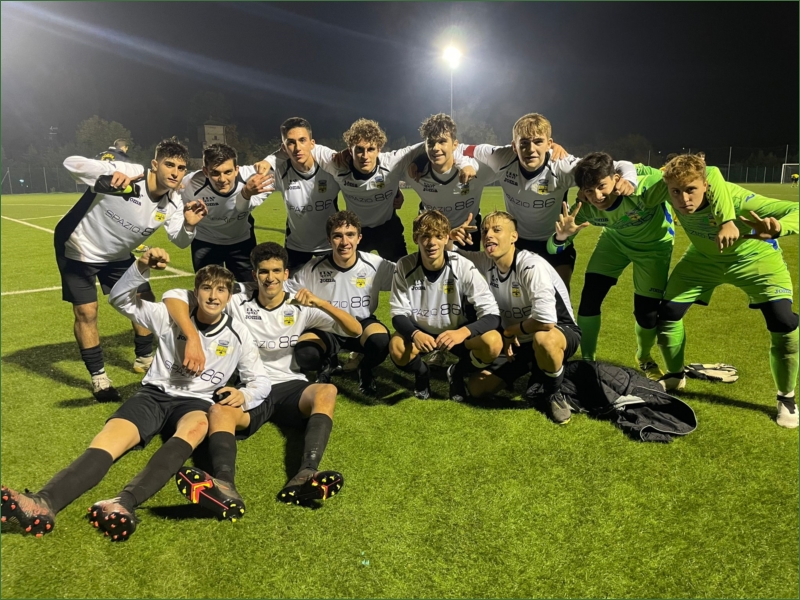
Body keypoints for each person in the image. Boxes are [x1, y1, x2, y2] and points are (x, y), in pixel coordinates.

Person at [1, 248, 271, 540]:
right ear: (195, 293)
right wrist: (141, 266)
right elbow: (120, 299)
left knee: (196, 428)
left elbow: (260, 381)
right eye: (206, 288)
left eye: (221, 290)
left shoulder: (239, 334)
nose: (213, 296)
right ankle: (43, 503)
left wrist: (245, 395)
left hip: (196, 403)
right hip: (153, 394)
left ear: (229, 297)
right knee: (108, 442)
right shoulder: (170, 317)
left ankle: (123, 503)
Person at [163, 242, 360, 515]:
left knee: (326, 390)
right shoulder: (237, 300)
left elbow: (354, 329)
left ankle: (306, 473)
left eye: (277, 271)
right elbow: (175, 296)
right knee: (219, 411)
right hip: (251, 386)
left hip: (290, 386)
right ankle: (224, 484)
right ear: (254, 275)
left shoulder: (300, 304)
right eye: (264, 271)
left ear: (286, 274)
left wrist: (321, 303)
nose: (270, 278)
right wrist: (192, 336)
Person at [549, 152, 738, 381]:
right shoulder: (583, 208)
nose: (597, 196)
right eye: (589, 190)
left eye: (601, 186)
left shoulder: (644, 187)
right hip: (614, 243)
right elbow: (553, 248)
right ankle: (588, 362)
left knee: (646, 315)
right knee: (590, 297)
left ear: (616, 179)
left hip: (654, 249)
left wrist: (727, 221)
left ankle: (644, 357)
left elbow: (710, 173)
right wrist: (561, 237)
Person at [57, 139, 207, 401]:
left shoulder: (174, 202)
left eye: (181, 168)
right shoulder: (130, 172)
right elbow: (71, 164)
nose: (175, 172)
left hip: (117, 255)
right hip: (79, 248)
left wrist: (190, 225)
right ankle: (99, 378)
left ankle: (144, 358)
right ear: (154, 164)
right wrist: (108, 175)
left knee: (144, 299)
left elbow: (181, 240)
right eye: (169, 165)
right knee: (87, 311)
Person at [655, 154, 798, 427]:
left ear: (706, 185)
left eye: (691, 190)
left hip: (755, 259)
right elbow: (637, 177)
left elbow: (796, 209)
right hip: (702, 260)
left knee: (784, 321)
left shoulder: (740, 201)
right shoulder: (668, 192)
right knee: (667, 314)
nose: (683, 199)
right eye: (676, 192)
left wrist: (780, 227)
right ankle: (675, 375)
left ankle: (786, 397)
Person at [461, 113, 638, 289]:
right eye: (524, 143)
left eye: (538, 142)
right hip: (518, 242)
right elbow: (461, 148)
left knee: (560, 297)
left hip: (555, 241)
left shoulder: (562, 166)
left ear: (549, 144)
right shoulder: (501, 157)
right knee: (516, 297)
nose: (531, 149)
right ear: (514, 146)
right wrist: (465, 164)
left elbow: (619, 165)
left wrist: (629, 180)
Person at [450, 211, 581, 424]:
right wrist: (449, 238)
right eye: (485, 231)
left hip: (557, 331)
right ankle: (534, 367)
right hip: (518, 341)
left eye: (497, 230)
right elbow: (451, 254)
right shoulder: (486, 261)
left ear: (514, 237)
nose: (488, 235)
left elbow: (546, 321)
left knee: (544, 341)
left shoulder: (531, 265)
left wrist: (510, 331)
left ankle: (553, 393)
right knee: (477, 388)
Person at [389, 210, 503, 401]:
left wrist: (462, 332)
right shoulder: (405, 265)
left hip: (456, 332)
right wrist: (415, 334)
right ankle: (422, 373)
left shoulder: (463, 266)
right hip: (422, 332)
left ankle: (457, 371)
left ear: (446, 238)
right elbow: (398, 313)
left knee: (493, 343)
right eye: (425, 236)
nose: (431, 243)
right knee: (397, 348)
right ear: (416, 238)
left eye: (438, 236)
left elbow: (492, 314)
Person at [287, 211, 394, 395]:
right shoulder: (313, 268)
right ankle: (326, 364)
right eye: (338, 236)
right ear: (329, 241)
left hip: (360, 325)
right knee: (305, 354)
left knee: (381, 342)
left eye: (350, 235)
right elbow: (287, 290)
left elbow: (407, 276)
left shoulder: (375, 264)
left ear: (359, 238)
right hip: (325, 327)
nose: (345, 242)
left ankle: (365, 369)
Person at [179, 143, 274, 282]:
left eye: (228, 172)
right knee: (208, 288)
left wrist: (269, 161)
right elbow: (166, 192)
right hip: (205, 241)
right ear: (205, 171)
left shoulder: (253, 177)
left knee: (251, 288)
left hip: (241, 241)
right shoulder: (189, 185)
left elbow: (285, 165)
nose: (222, 180)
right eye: (215, 173)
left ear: (237, 170)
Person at [404, 114, 497, 252]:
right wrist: (396, 194)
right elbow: (387, 173)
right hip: (432, 234)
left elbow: (510, 163)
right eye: (431, 143)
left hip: (467, 233)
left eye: (442, 141)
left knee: (467, 267)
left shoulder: (476, 168)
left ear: (455, 145)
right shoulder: (414, 172)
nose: (435, 148)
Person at [259, 118, 342, 271]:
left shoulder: (330, 169)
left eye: (302, 140)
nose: (297, 148)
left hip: (329, 245)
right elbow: (254, 192)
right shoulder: (280, 172)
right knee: (291, 287)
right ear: (284, 148)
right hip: (295, 248)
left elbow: (357, 187)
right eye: (291, 142)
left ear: (312, 143)